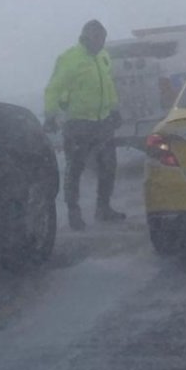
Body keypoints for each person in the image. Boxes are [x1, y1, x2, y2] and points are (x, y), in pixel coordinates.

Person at [44, 20, 126, 230]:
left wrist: (114, 109)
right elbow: (54, 88)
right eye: (97, 39)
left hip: (103, 122)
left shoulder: (103, 57)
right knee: (75, 169)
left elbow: (108, 85)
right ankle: (74, 213)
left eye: (103, 39)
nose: (101, 43)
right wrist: (50, 115)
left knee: (108, 167)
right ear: (86, 37)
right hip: (78, 123)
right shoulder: (70, 59)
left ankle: (103, 208)